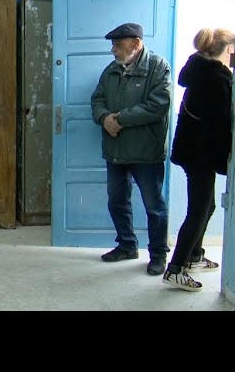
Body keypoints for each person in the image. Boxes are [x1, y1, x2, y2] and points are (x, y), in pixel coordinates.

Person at [91, 23, 173, 276]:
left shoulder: (158, 67)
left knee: (153, 206)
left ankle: (158, 254)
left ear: (136, 44)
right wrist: (104, 118)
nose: (113, 50)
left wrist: (120, 120)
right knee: (117, 201)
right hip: (116, 150)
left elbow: (158, 105)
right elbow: (97, 99)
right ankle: (127, 245)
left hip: (146, 151)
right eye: (113, 45)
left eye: (118, 44)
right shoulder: (111, 70)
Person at [163, 28, 234, 292]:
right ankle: (176, 269)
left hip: (194, 151)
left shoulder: (199, 71)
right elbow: (220, 124)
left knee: (209, 205)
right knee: (199, 210)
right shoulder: (215, 78)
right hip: (201, 154)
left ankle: (194, 255)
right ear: (227, 50)